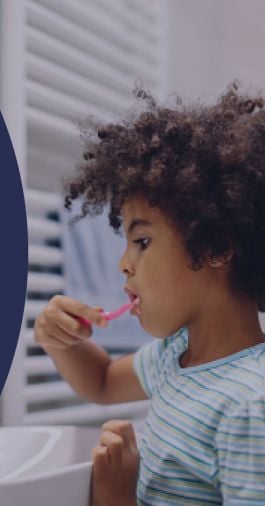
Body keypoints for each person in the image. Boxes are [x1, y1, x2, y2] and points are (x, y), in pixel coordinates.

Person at [34, 82, 265, 505]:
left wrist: (119, 500)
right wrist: (59, 339)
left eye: (141, 242)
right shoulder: (175, 356)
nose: (124, 262)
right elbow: (102, 382)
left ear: (214, 247)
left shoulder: (251, 404)